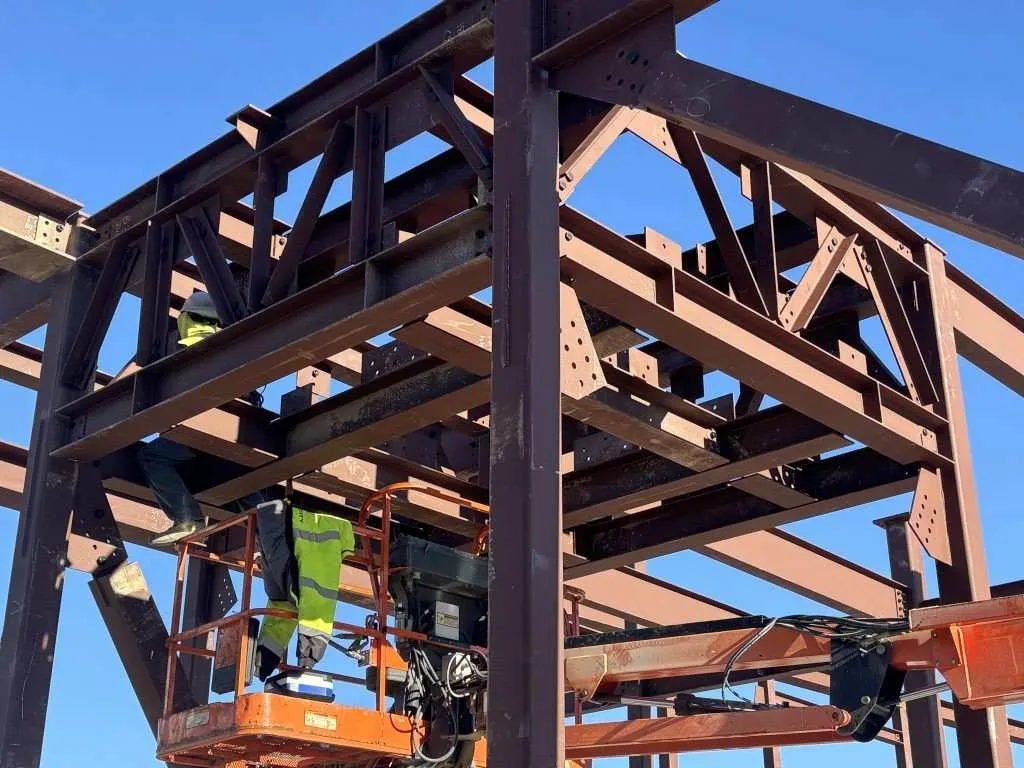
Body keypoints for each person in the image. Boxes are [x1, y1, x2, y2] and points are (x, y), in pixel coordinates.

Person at [141, 291, 264, 546]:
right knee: (240, 481)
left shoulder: (191, 347)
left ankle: (188, 518)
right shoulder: (234, 348)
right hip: (242, 437)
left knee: (152, 456)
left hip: (203, 432)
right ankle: (274, 543)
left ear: (186, 318)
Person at [254, 499, 355, 679]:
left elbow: (310, 607)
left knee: (286, 600)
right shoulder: (321, 556)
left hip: (285, 518)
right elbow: (316, 608)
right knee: (290, 599)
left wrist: (261, 663)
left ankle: (263, 663)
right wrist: (308, 659)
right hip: (288, 518)